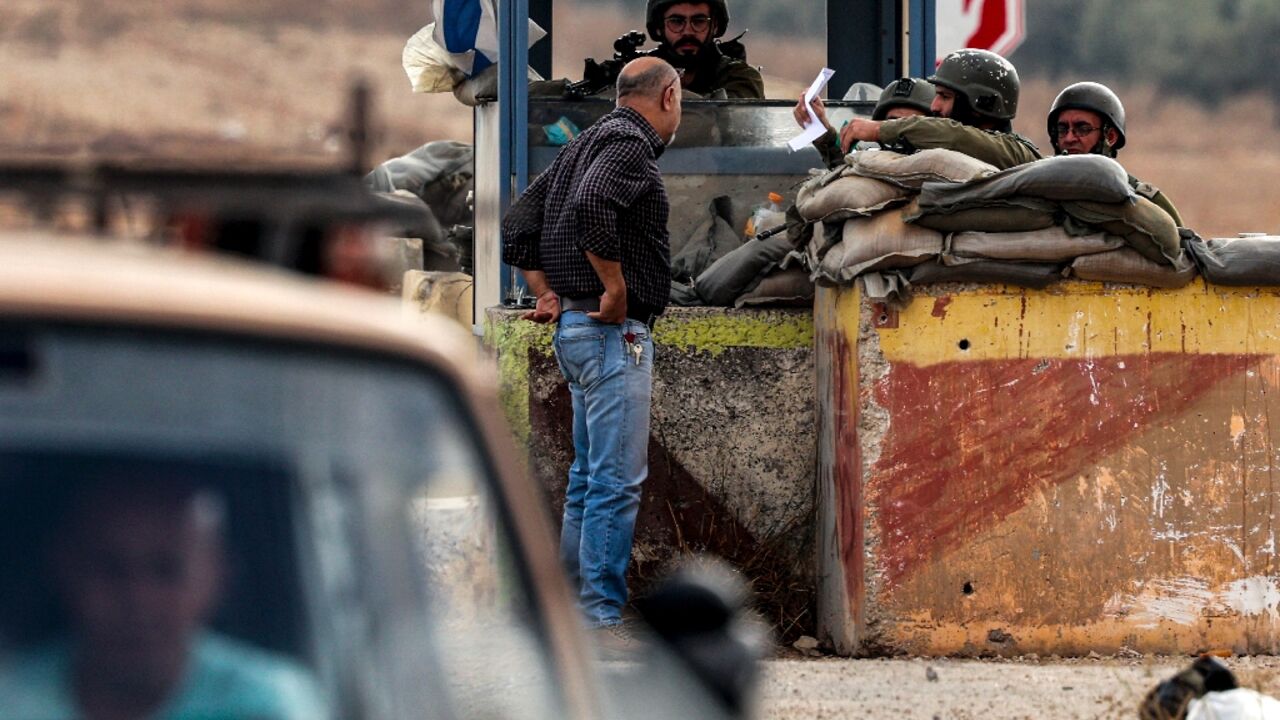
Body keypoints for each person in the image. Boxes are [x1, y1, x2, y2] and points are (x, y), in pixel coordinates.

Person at [500, 57, 681, 639]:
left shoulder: (586, 143)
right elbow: (592, 207)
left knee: (588, 477)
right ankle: (597, 616)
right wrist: (615, 287)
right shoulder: (630, 143)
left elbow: (517, 225)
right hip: (609, 334)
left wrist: (548, 293)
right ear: (669, 95)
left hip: (575, 331)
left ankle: (574, 613)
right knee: (615, 480)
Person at [0, 479, 327, 720]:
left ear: (217, 577)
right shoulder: (11, 699)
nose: (137, 599)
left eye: (166, 570)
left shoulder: (268, 704)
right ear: (64, 568)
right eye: (110, 568)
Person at [837, 48, 1042, 170]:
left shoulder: (1017, 152)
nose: (934, 106)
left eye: (945, 97)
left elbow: (954, 136)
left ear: (980, 104)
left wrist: (879, 130)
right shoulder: (943, 153)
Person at [1048, 81, 1183, 225]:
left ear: (1110, 137)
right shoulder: (1037, 188)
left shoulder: (1142, 200)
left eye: (1082, 129)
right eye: (1063, 130)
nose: (1069, 138)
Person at [793, 77, 936, 169]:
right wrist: (819, 128)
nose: (899, 131)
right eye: (892, 123)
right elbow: (846, 167)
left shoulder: (941, 167)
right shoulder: (874, 162)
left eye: (912, 123)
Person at [646, 0, 764, 99]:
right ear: (659, 27)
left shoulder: (740, 76)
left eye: (699, 21)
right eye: (676, 22)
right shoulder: (639, 74)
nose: (688, 31)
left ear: (715, 26)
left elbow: (731, 114)